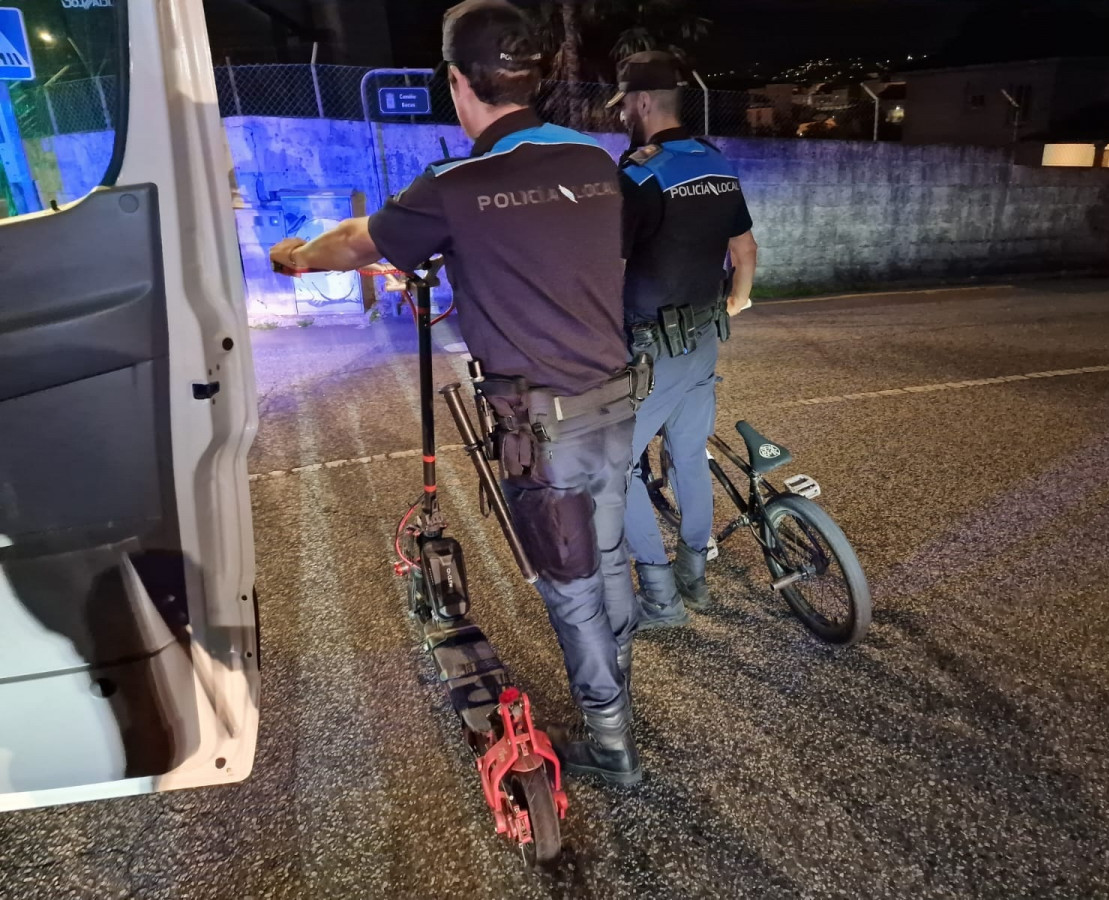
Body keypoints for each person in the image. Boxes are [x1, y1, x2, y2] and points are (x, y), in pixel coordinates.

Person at [269, 0, 646, 785]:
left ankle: (613, 745)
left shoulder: (459, 181)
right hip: (615, 402)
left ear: (455, 82)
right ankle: (621, 686)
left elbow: (356, 242)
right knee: (608, 555)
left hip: (542, 427)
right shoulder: (593, 160)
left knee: (570, 586)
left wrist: (297, 257)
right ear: (536, 75)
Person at [609, 51, 759, 628]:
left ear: (642, 102)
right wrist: (734, 303)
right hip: (704, 338)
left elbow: (607, 271)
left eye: (624, 102)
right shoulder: (717, 164)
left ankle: (661, 599)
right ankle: (693, 578)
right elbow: (744, 254)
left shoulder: (639, 177)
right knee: (689, 456)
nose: (622, 112)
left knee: (614, 469)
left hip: (650, 350)